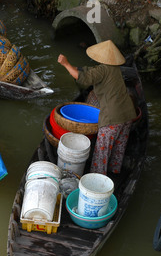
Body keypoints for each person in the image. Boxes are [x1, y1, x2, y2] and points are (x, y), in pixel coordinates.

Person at [58, 40, 137, 176]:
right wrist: (77, 68)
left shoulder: (102, 70)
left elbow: (81, 77)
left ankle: (97, 179)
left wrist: (66, 64)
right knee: (118, 148)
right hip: (128, 114)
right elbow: (88, 72)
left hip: (113, 118)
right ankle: (114, 172)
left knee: (101, 153)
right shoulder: (114, 69)